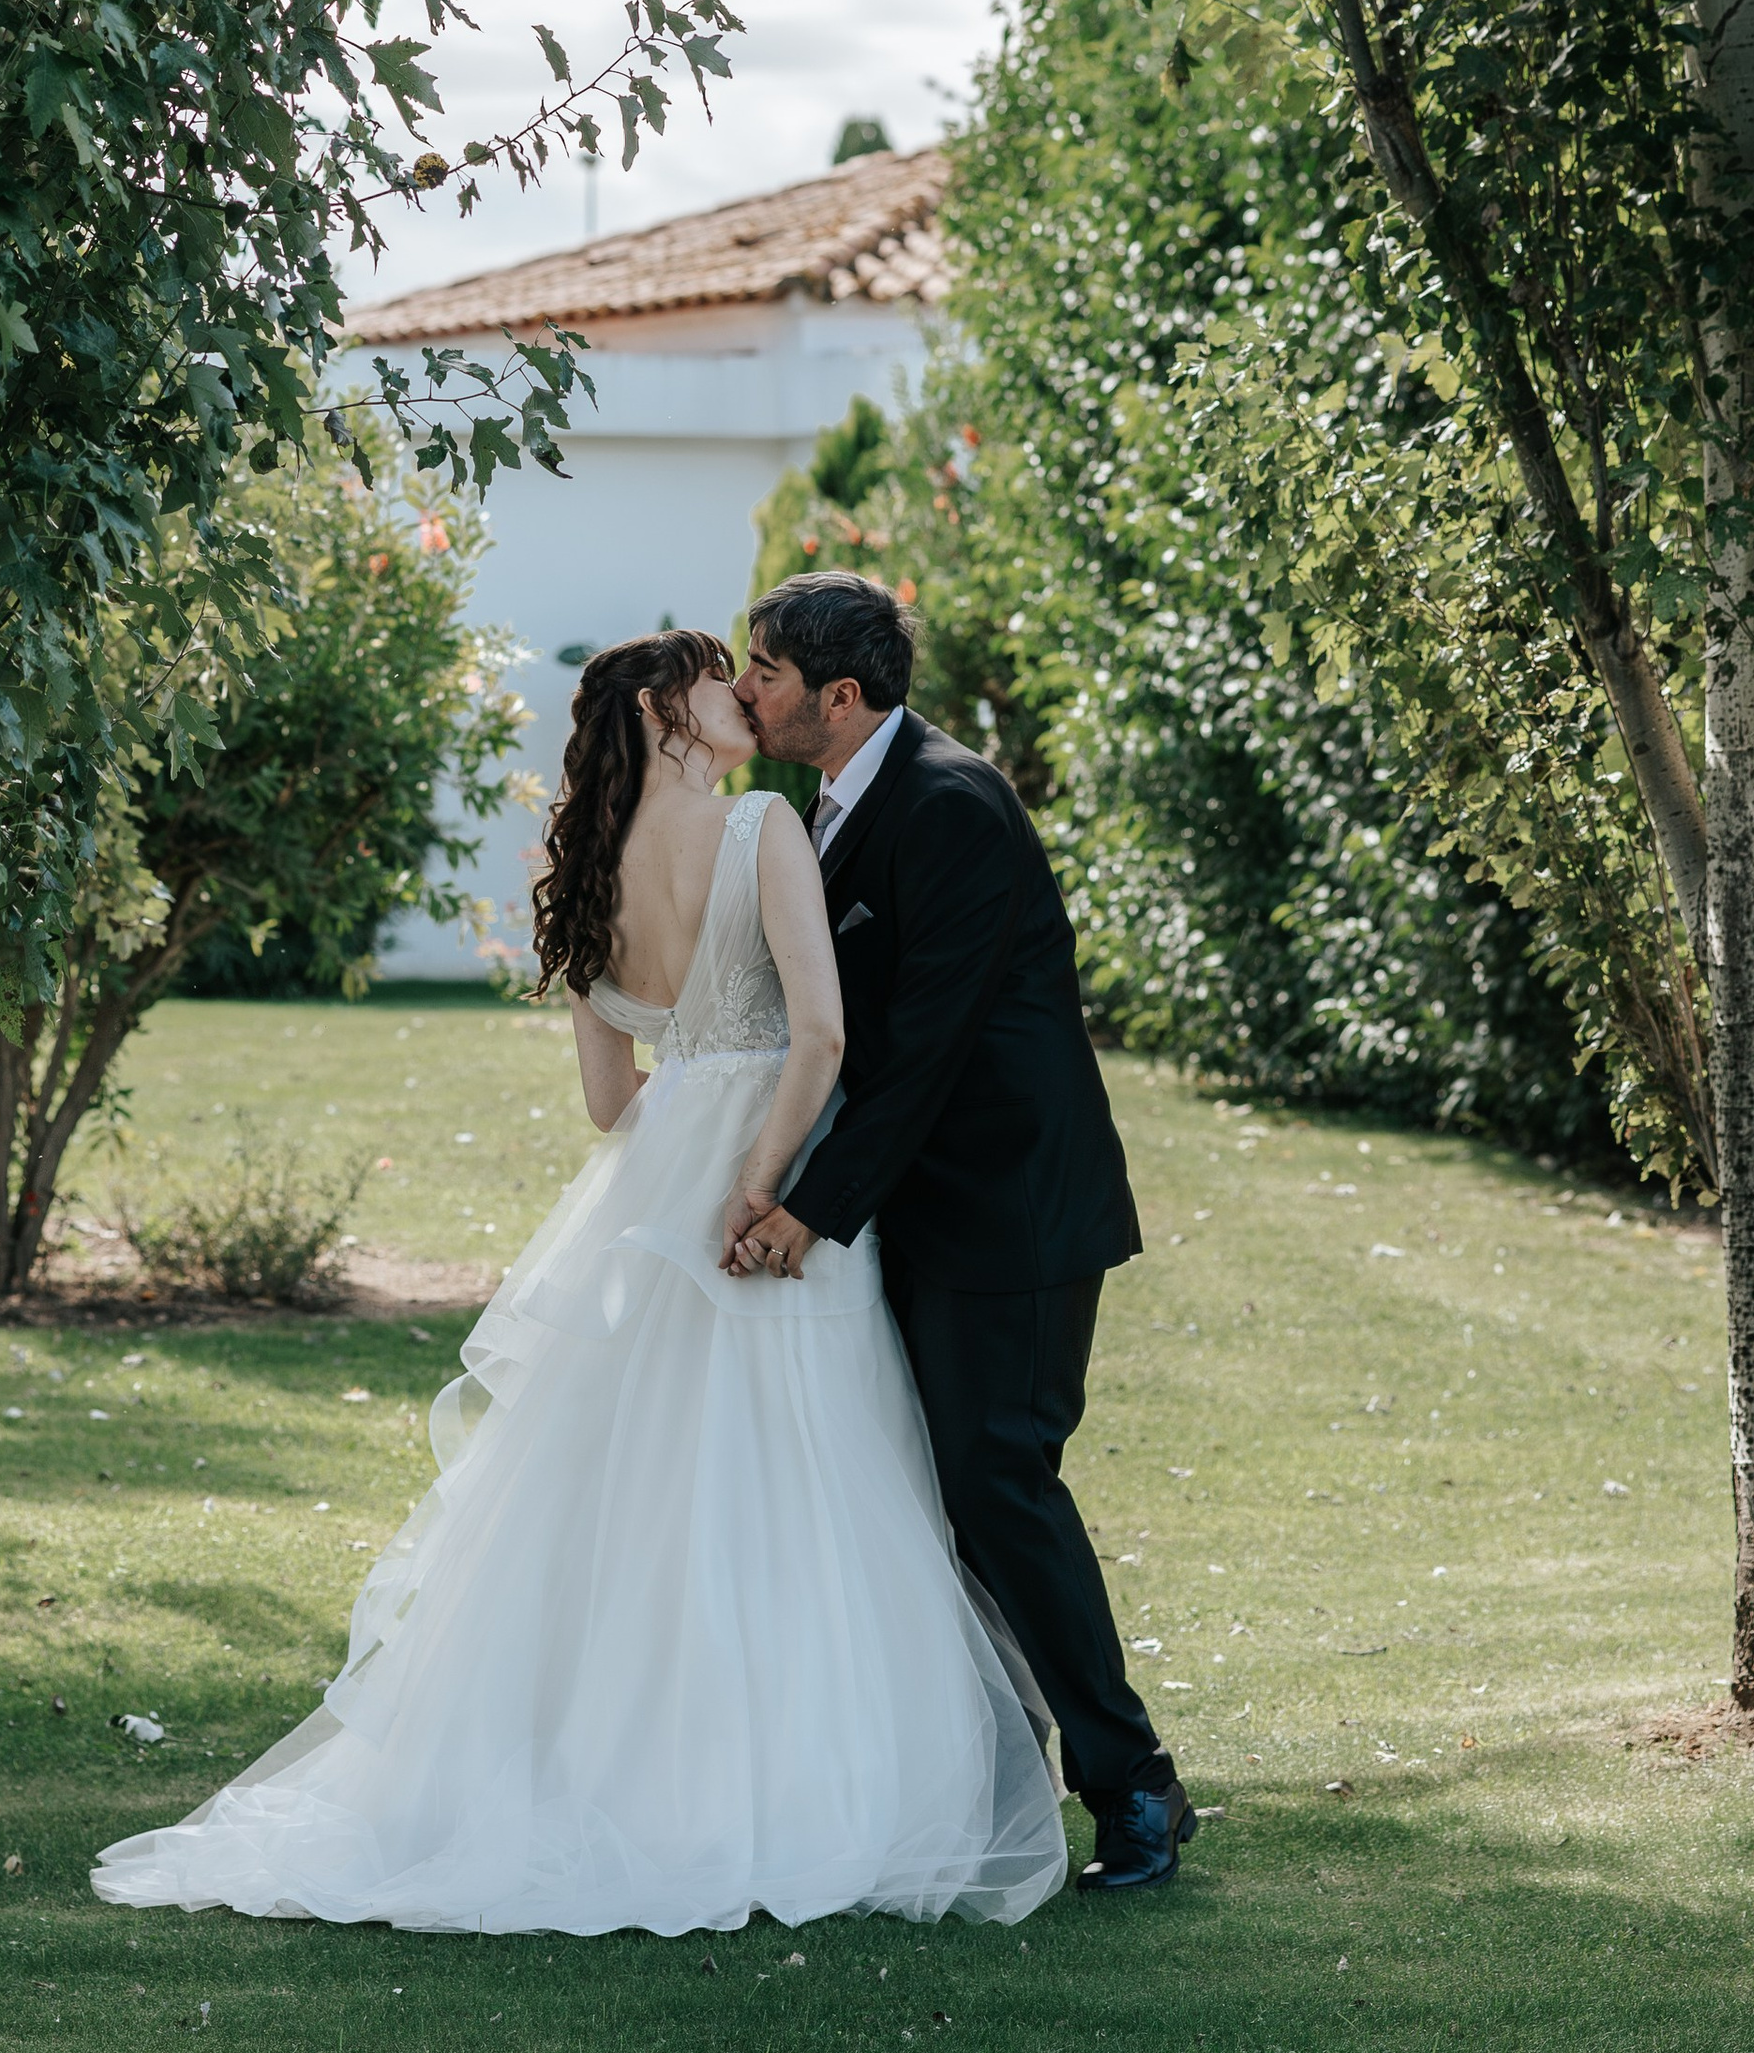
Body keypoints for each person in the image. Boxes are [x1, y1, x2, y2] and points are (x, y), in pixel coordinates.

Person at [92, 626, 1067, 1939]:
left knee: (641, 1480)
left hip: (654, 1183)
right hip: (758, 1174)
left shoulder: (581, 868)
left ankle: (608, 1765)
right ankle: (789, 1784)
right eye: (723, 679)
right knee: (802, 1465)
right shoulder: (759, 831)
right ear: (675, 712)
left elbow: (612, 1104)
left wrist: (696, 1123)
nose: (743, 695)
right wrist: (766, 1178)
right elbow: (823, 1037)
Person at [727, 571, 1195, 1890]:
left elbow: (926, 1050)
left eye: (763, 668)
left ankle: (1135, 1786)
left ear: (840, 694)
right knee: (941, 1495)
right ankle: (988, 1776)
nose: (744, 686)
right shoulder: (823, 803)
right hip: (927, 1215)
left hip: (1013, 1214)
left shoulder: (949, 805)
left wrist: (809, 1211)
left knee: (1000, 1485)